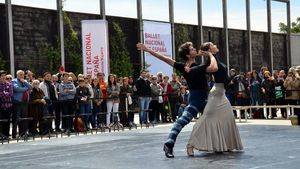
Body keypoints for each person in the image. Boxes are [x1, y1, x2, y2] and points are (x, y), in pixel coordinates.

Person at [137, 41, 218, 158]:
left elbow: (165, 59)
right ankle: (169, 144)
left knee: (214, 121)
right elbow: (214, 67)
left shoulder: (192, 66)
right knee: (182, 121)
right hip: (196, 99)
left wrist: (148, 50)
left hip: (203, 99)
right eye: (192, 49)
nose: (195, 49)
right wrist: (210, 54)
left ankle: (214, 145)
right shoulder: (194, 67)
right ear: (188, 55)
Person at [186, 42, 243, 155]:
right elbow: (214, 67)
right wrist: (209, 55)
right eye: (213, 45)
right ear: (210, 50)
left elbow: (223, 76)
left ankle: (227, 144)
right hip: (215, 94)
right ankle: (190, 145)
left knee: (228, 118)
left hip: (222, 94)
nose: (216, 45)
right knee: (206, 118)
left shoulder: (215, 58)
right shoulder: (211, 61)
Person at [12, 70, 32, 138]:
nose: (21, 76)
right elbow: (17, 89)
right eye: (20, 74)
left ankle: (23, 133)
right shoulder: (14, 81)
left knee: (24, 118)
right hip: (17, 102)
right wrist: (26, 88)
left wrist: (25, 83)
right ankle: (14, 135)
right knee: (16, 119)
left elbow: (30, 87)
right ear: (17, 75)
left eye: (23, 74)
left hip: (24, 102)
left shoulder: (24, 81)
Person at [0, 70, 13, 139]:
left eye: (4, 75)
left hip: (8, 106)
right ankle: (1, 135)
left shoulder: (9, 84)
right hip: (1, 106)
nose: (4, 77)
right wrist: (5, 93)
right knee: (1, 121)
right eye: (2, 76)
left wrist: (3, 93)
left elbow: (10, 94)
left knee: (7, 121)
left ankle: (6, 135)